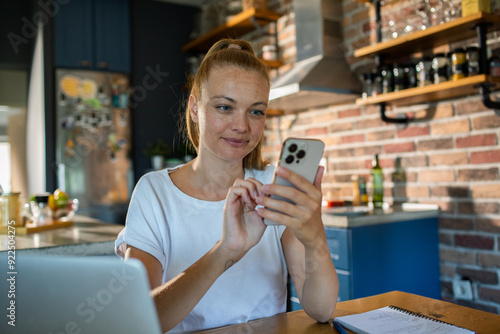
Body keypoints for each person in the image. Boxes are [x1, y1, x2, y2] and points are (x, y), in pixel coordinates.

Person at [115, 38, 339, 333]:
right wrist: (225, 253)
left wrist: (315, 239)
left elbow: (322, 309)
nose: (242, 126)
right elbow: (141, 320)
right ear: (195, 107)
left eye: (256, 111)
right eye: (224, 107)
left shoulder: (274, 187)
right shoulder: (154, 192)